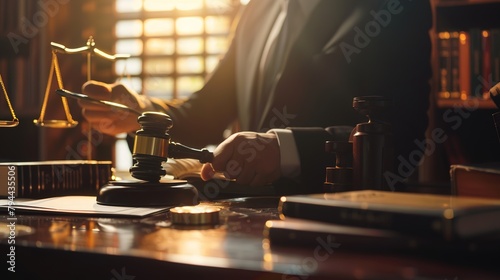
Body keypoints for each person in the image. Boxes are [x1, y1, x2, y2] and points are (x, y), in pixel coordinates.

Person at [79, 0, 433, 194]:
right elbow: (205, 112)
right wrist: (141, 111)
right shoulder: (257, 11)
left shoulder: (393, 7)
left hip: (343, 232)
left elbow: (401, 136)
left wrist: (285, 149)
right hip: (247, 233)